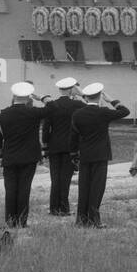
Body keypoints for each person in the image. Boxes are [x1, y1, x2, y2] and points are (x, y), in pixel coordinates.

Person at [0, 81, 54, 228]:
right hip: (29, 157)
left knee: (11, 190)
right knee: (24, 189)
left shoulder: (1, 114)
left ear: (13, 95)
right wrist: (43, 97)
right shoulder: (33, 113)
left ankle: (10, 221)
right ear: (28, 98)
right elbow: (53, 107)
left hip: (9, 157)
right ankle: (22, 221)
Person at [71, 83, 130, 228]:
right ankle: (94, 219)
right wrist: (112, 101)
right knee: (97, 188)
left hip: (85, 154)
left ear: (85, 97)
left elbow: (73, 136)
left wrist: (73, 154)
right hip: (100, 155)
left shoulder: (78, 114)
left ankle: (81, 219)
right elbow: (125, 111)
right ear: (100, 96)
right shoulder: (103, 112)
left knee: (84, 187)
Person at [41, 76, 80, 216]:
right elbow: (93, 107)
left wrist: (45, 147)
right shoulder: (77, 105)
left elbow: (46, 129)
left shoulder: (52, 105)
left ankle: (53, 208)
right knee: (66, 179)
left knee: (55, 178)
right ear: (71, 90)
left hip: (54, 146)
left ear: (59, 89)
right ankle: (64, 208)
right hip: (71, 147)